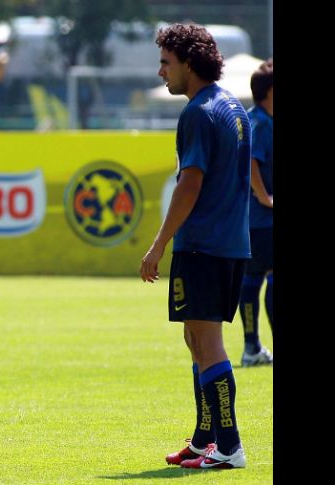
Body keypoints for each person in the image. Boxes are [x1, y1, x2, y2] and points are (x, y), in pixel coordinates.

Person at [139, 23, 251, 469]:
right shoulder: (232, 107)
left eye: (166, 62)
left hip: (204, 245)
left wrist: (158, 244)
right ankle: (206, 439)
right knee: (196, 339)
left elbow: (190, 183)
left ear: (188, 63)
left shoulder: (198, 113)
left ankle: (229, 447)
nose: (161, 71)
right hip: (229, 243)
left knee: (207, 343)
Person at [238, 59, 273, 367]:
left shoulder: (252, 120)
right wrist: (265, 197)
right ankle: (252, 347)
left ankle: (251, 347)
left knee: (251, 280)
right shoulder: (262, 124)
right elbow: (250, 161)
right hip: (264, 220)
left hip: (249, 222)